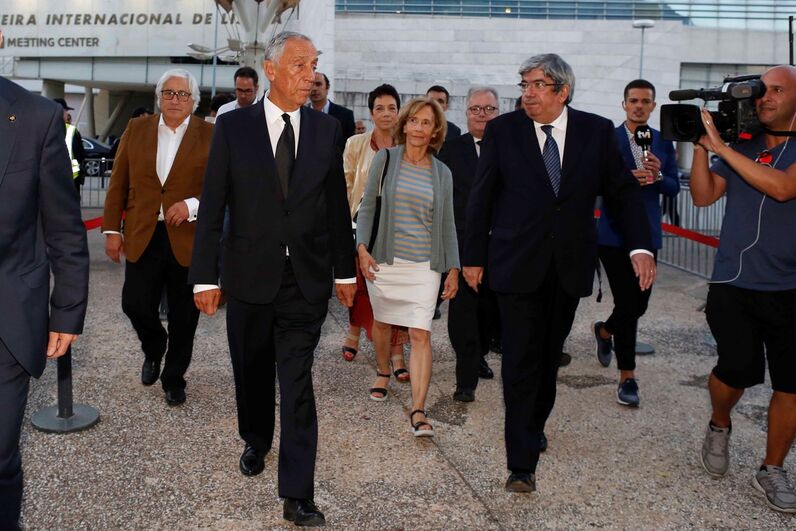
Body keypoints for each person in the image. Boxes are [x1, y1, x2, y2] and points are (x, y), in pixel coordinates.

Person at [463, 53, 654, 493]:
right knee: (518, 361)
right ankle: (521, 462)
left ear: (561, 91)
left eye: (536, 85)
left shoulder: (595, 131)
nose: (527, 92)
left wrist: (640, 246)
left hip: (567, 268)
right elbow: (481, 198)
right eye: (524, 84)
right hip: (514, 265)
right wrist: (473, 257)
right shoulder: (503, 131)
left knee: (548, 360)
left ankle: (533, 423)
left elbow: (623, 194)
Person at [189, 31, 356, 527]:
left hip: (305, 280)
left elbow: (334, 209)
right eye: (301, 66)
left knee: (298, 384)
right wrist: (204, 278)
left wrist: (344, 270)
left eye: (314, 66)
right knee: (253, 371)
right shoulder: (233, 126)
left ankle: (297, 493)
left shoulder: (326, 131)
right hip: (247, 277)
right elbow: (214, 202)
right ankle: (255, 438)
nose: (311, 76)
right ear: (272, 68)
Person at [691, 65, 796, 514]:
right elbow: (702, 196)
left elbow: (783, 189)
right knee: (735, 370)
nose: (764, 98)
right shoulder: (742, 144)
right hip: (733, 282)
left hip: (790, 287)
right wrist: (702, 149)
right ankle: (719, 422)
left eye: (777, 90)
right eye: (761, 91)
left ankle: (772, 468)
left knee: (791, 384)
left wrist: (721, 147)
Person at [0, 72, 90, 529]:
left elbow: (63, 225)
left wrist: (68, 310)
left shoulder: (36, 117)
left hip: (7, 320)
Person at [102, 69, 213, 406]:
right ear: (159, 97)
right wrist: (111, 230)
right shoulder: (137, 129)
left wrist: (193, 205)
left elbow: (224, 187)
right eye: (169, 93)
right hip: (143, 233)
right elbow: (118, 181)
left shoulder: (211, 135)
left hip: (188, 237)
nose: (175, 99)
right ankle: (154, 347)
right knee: (134, 303)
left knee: (184, 315)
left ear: (193, 100)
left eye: (182, 94)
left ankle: (174, 377)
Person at [356, 96, 460, 437]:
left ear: (435, 131)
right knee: (383, 324)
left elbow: (447, 224)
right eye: (413, 120)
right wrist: (362, 249)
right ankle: (384, 371)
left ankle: (418, 409)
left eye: (426, 123)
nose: (418, 128)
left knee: (420, 333)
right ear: (405, 124)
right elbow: (368, 207)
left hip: (424, 267)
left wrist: (453, 268)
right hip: (386, 259)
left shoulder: (442, 173)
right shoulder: (386, 160)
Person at [594, 79, 679, 407]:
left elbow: (673, 186)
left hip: (647, 234)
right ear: (624, 104)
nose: (639, 106)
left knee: (638, 304)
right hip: (613, 235)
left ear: (653, 106)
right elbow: (596, 182)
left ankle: (604, 332)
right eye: (634, 100)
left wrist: (658, 177)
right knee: (629, 302)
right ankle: (627, 376)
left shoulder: (662, 142)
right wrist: (624, 178)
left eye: (645, 101)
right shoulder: (608, 139)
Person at [340, 84, 409, 382]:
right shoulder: (355, 144)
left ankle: (396, 352)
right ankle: (354, 331)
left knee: (395, 293)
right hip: (362, 228)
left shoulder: (409, 145)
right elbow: (345, 185)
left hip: (398, 232)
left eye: (391, 108)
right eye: (379, 108)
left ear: (399, 112)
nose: (386, 114)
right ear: (370, 113)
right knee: (361, 290)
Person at [438, 86, 500, 402]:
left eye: (488, 109)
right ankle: (465, 381)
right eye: (476, 109)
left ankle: (479, 354)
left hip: (500, 247)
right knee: (462, 315)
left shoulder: (510, 148)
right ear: (466, 111)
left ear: (497, 112)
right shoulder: (451, 149)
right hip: (461, 246)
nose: (481, 115)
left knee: (490, 313)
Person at [309, 72, 356, 150]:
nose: (314, 89)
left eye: (318, 84)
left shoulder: (346, 115)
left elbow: (349, 148)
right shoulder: (299, 114)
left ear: (327, 88)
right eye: (310, 84)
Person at [54, 97, 86, 193]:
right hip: (70, 178)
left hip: (50, 179)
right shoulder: (71, 130)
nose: (67, 114)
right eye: (66, 111)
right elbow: (80, 154)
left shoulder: (43, 128)